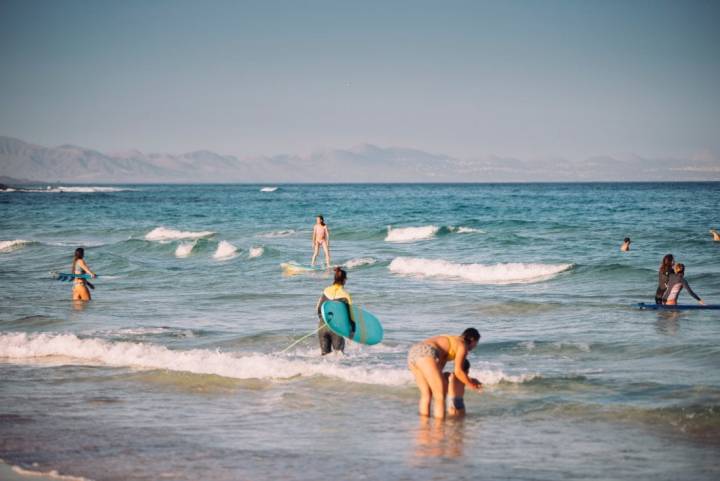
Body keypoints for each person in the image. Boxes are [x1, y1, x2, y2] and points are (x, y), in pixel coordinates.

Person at [407, 328, 482, 419]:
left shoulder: (451, 342)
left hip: (414, 352)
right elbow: (458, 371)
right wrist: (472, 385)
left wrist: (468, 379)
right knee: (439, 396)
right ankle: (439, 429)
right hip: (427, 352)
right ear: (473, 340)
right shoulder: (463, 345)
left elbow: (438, 369)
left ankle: (424, 427)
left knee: (426, 394)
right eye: (476, 344)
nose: (474, 347)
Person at [315, 267, 351, 355]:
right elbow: (349, 318)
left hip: (322, 327)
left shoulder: (326, 290)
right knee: (339, 356)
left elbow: (318, 309)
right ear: (345, 280)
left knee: (324, 356)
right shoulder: (345, 295)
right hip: (336, 329)